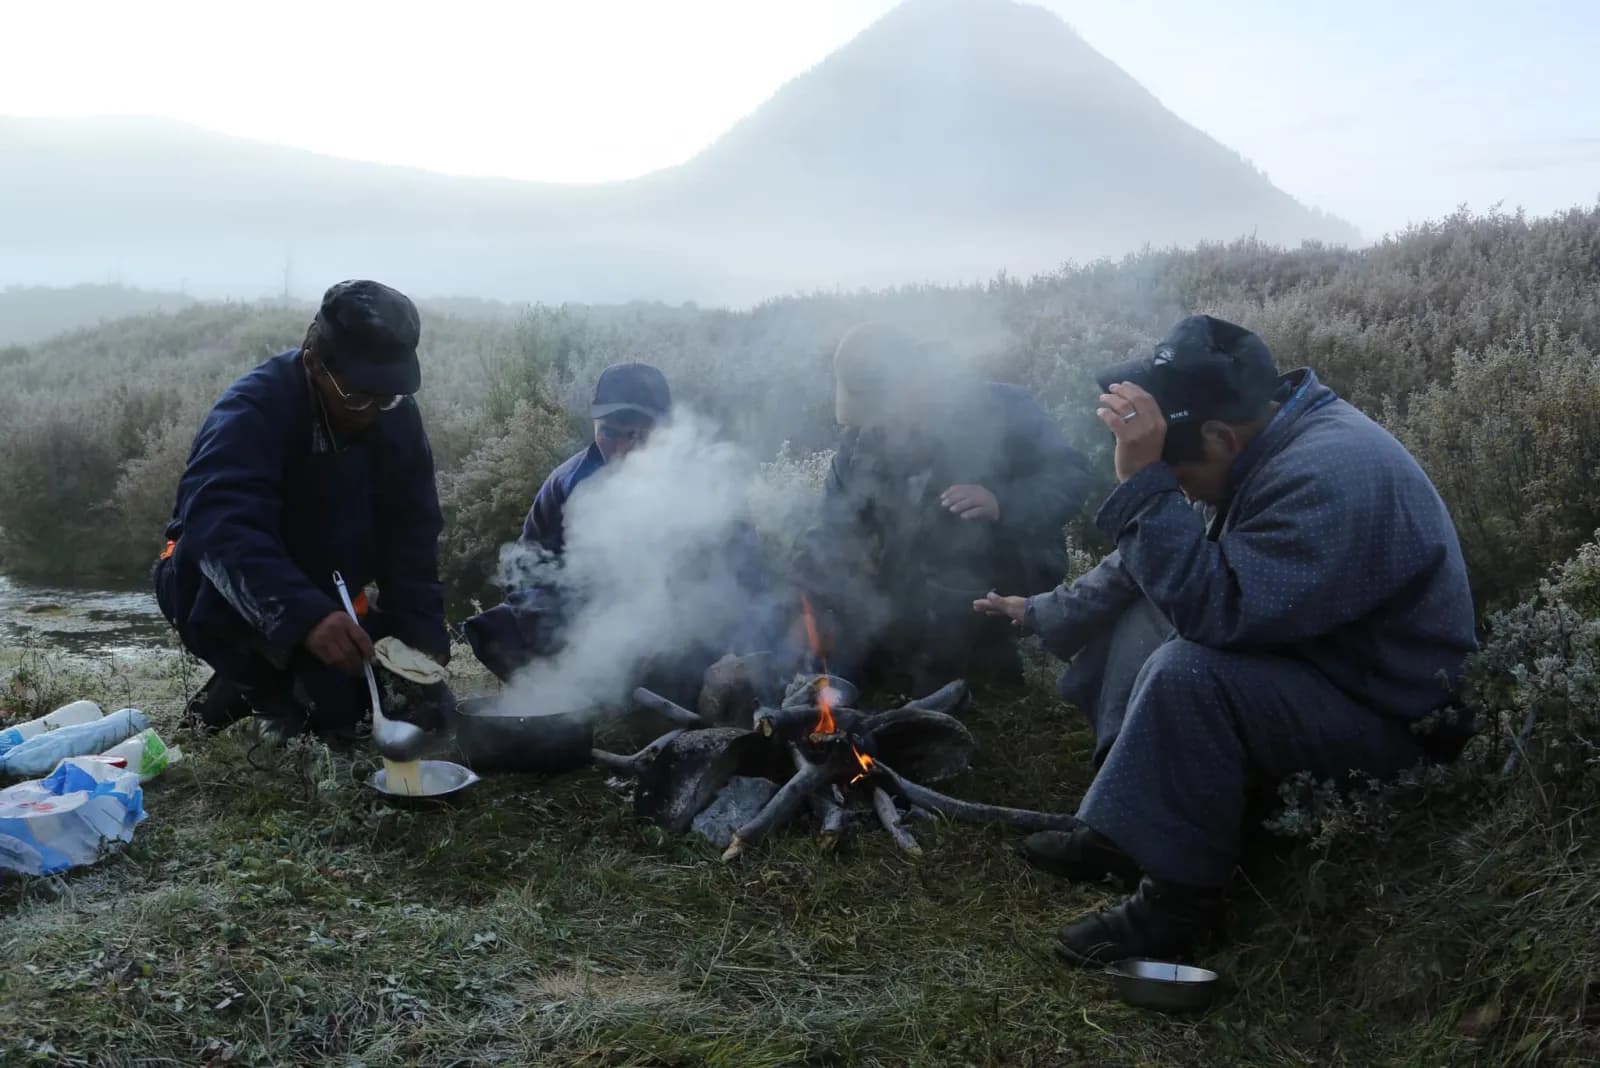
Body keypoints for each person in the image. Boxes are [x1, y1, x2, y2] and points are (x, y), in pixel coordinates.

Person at [975, 314, 1478, 965]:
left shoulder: (1327, 475)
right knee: (1140, 614)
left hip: (1387, 724)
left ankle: (1181, 906)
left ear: (1217, 436)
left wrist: (1142, 487)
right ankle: (1130, 830)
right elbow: (1145, 567)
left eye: (1180, 477)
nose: (1181, 490)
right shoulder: (1267, 437)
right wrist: (1043, 610)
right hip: (1322, 672)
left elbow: (1218, 614)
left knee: (1191, 669)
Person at [154, 280, 453, 741]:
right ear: (313, 360)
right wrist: (304, 617)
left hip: (324, 583)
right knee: (321, 722)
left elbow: (411, 528)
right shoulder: (251, 410)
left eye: (387, 396)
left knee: (410, 707)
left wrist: (423, 632)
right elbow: (221, 526)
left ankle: (288, 672)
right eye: (357, 397)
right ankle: (256, 684)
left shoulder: (393, 412)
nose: (373, 411)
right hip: (216, 581)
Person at [797, 322, 1095, 694]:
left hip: (1000, 574)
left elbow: (1073, 477)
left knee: (947, 643)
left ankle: (985, 664)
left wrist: (1001, 503)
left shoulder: (1004, 409)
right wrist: (806, 597)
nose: (879, 424)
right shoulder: (861, 441)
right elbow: (829, 527)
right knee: (845, 644)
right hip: (899, 582)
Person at [462, 363, 780, 707]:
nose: (621, 449)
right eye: (609, 432)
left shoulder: (708, 488)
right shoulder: (566, 483)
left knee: (689, 661)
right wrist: (564, 631)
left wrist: (734, 649)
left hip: (681, 628)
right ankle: (572, 697)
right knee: (496, 628)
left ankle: (652, 695)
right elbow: (527, 573)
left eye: (637, 436)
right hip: (590, 625)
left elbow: (746, 577)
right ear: (594, 424)